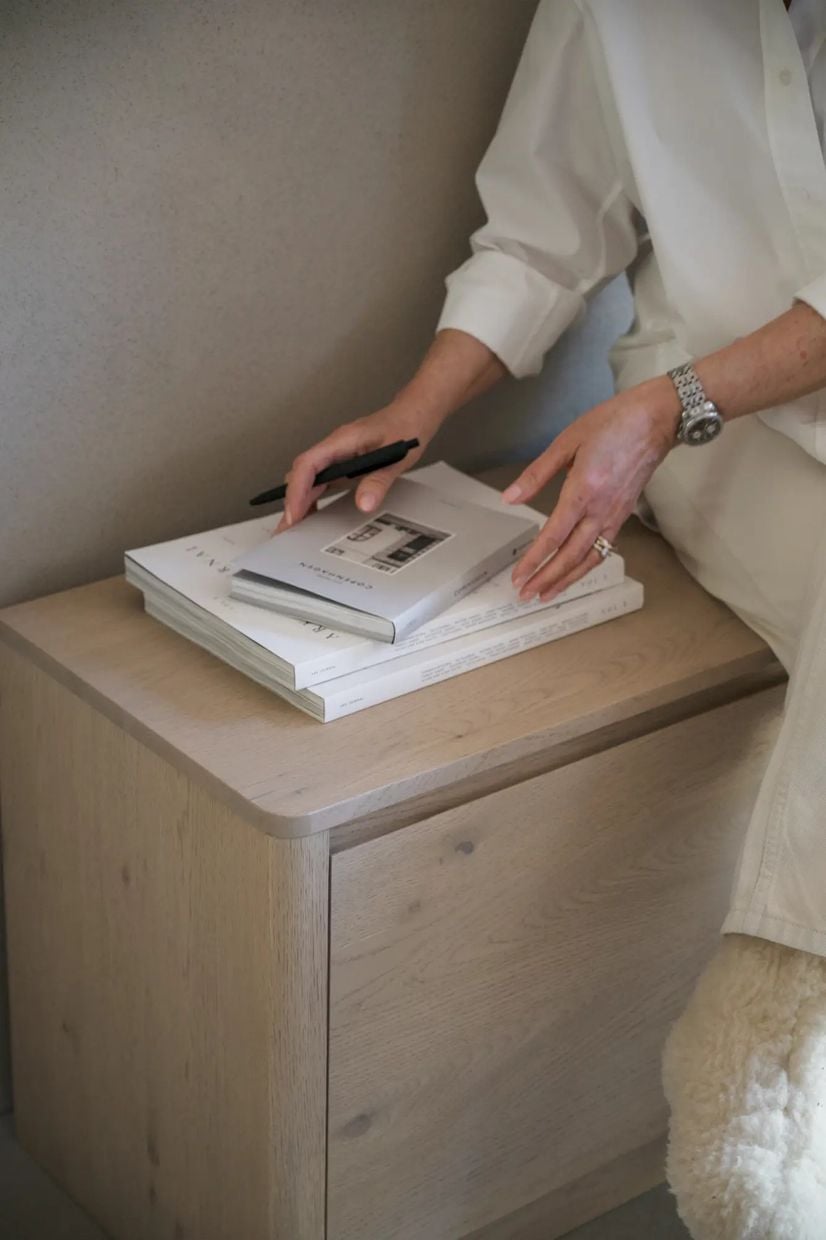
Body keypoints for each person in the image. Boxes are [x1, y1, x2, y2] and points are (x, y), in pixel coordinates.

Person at [277, 3, 826, 1234]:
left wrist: (667, 404)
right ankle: (766, 1052)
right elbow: (539, 230)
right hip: (726, 441)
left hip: (681, 407)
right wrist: (420, 405)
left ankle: (770, 1024)